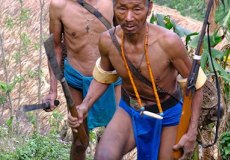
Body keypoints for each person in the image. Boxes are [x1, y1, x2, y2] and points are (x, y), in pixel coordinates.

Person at [68, 0, 207, 159]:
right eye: (122, 8)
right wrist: (84, 106)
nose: (128, 17)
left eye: (137, 9)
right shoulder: (108, 41)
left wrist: (191, 132)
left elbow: (195, 86)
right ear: (114, 7)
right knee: (104, 156)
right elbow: (103, 77)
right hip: (131, 109)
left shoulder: (169, 42)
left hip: (168, 114)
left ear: (149, 8)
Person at [43, 0, 121, 159]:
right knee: (80, 142)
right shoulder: (59, 6)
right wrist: (52, 91)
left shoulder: (112, 2)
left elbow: (125, 35)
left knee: (114, 140)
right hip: (77, 78)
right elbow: (55, 46)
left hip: (111, 76)